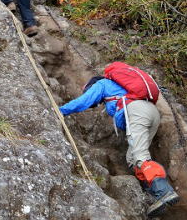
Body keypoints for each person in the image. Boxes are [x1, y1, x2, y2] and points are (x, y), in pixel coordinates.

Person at [59, 72, 180, 217]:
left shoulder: (102, 84)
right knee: (132, 158)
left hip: (137, 111)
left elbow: (84, 101)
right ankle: (154, 194)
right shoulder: (121, 89)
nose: (96, 104)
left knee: (140, 156)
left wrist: (61, 110)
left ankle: (164, 191)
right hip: (152, 113)